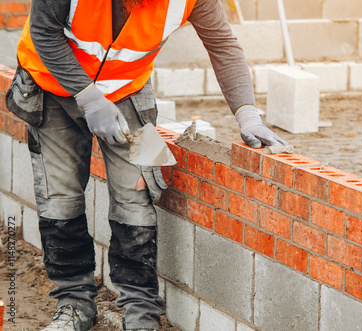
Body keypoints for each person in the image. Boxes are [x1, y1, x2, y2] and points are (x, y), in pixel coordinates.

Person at [6, 0, 287, 330]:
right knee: (59, 198)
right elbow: (43, 31)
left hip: (128, 90)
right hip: (51, 85)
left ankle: (141, 312)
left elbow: (222, 43)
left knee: (135, 198)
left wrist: (247, 113)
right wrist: (90, 97)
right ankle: (74, 302)